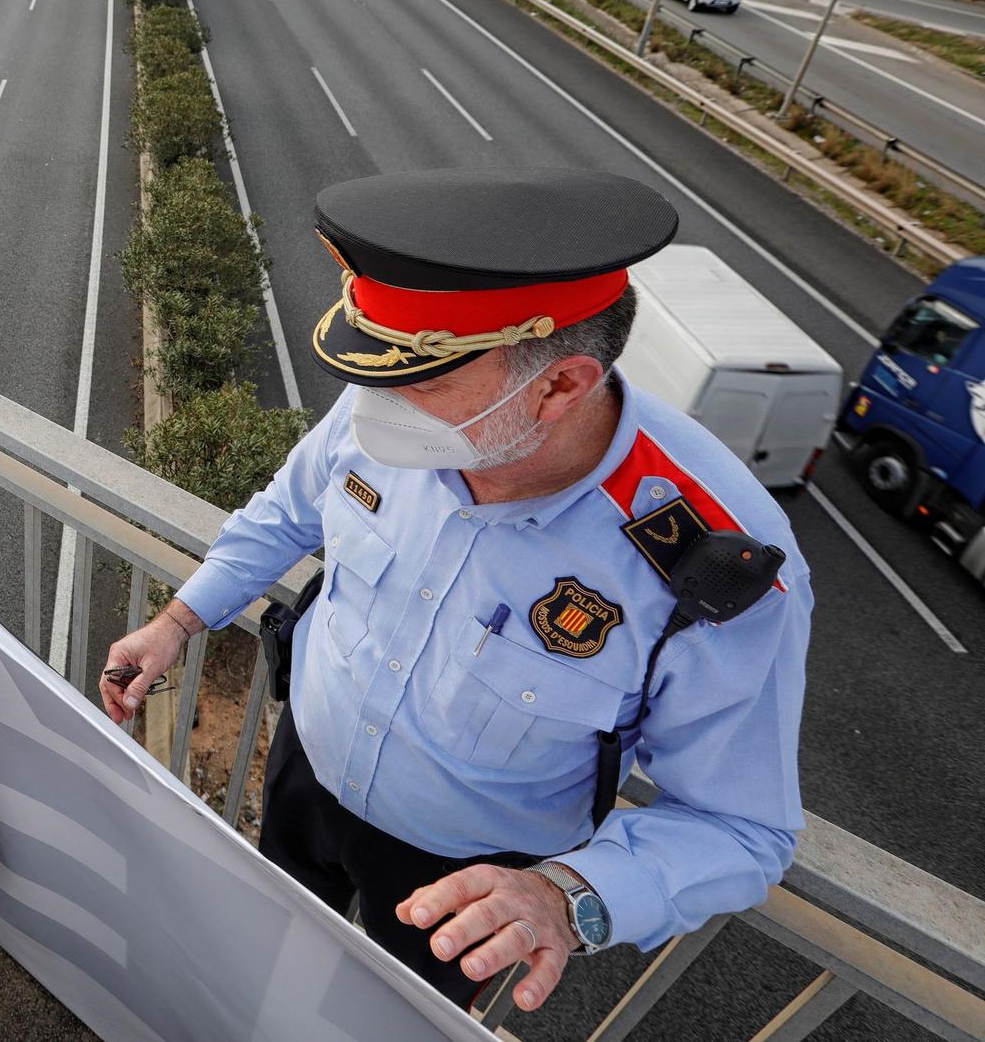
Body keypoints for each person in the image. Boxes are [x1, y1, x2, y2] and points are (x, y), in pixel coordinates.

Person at [101, 169, 811, 1014]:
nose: (373, 406)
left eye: (422, 381)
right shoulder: (401, 404)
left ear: (559, 385)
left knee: (381, 1021)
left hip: (462, 879)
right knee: (263, 965)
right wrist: (181, 619)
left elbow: (741, 826)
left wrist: (565, 895)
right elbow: (285, 513)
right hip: (306, 772)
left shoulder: (703, 563)